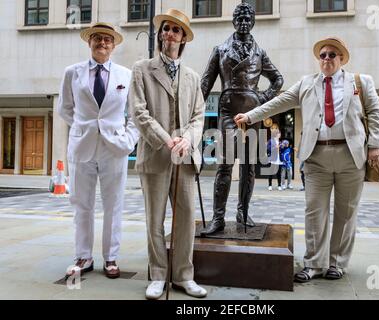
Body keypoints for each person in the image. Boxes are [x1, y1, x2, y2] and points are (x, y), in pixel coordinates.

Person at [235, 37, 379, 283]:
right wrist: (250, 116)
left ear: (341, 59)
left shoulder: (361, 82)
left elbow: (376, 113)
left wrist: (375, 146)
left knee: (346, 213)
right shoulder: (306, 83)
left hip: (351, 155)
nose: (327, 59)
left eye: (332, 55)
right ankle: (314, 263)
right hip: (316, 157)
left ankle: (336, 263)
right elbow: (278, 103)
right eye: (323, 55)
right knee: (315, 211)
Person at [128, 9, 207, 299]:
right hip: (156, 154)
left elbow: (199, 116)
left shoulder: (193, 77)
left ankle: (184, 276)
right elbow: (138, 112)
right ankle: (158, 275)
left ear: (183, 37)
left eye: (175, 30)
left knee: (186, 218)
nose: (169, 34)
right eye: (165, 29)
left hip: (185, 157)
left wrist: (187, 139)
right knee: (155, 219)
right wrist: (166, 139)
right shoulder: (142, 69)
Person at [58, 22, 140, 279]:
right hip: (82, 147)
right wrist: (84, 129)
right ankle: (83, 256)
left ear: (113, 45)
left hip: (114, 148)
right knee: (82, 204)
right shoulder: (73, 73)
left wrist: (128, 140)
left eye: (107, 39)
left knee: (114, 206)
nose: (102, 43)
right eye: (97, 39)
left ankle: (111, 257)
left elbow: (135, 114)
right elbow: (64, 108)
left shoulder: (126, 75)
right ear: (89, 42)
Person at [200, 3, 284, 235]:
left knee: (248, 167)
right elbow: (206, 83)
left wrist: (262, 99)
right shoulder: (220, 50)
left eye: (248, 19)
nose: (244, 22)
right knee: (224, 166)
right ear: (234, 21)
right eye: (240, 18)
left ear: (253, 22)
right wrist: (195, 113)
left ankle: (243, 213)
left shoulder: (260, 53)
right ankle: (218, 218)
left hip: (252, 115)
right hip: (228, 112)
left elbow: (278, 79)